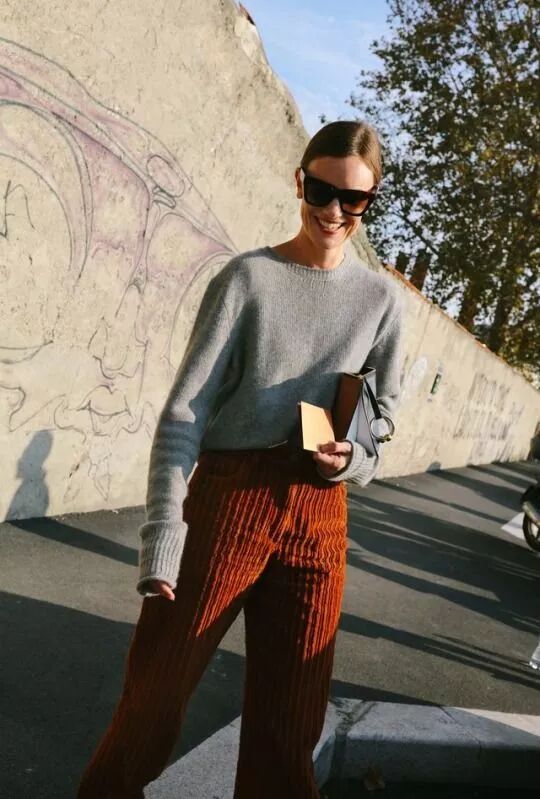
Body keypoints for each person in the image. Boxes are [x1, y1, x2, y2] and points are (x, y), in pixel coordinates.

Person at [77, 120, 404, 799]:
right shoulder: (247, 279)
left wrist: (350, 457)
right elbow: (185, 413)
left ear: (371, 202)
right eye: (322, 191)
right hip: (229, 501)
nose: (334, 211)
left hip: (321, 515)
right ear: (299, 181)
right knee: (153, 702)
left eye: (354, 199)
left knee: (290, 732)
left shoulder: (380, 301)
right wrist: (164, 536)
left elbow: (383, 423)